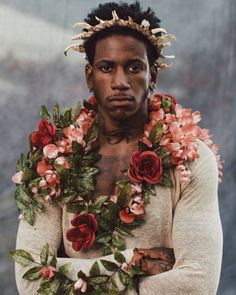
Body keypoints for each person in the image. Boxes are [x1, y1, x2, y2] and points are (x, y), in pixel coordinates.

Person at [12, 1, 223, 294]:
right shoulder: (53, 159)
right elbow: (31, 278)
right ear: (90, 76)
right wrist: (131, 262)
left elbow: (198, 284)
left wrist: (75, 275)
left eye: (134, 67)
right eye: (107, 67)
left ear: (153, 77)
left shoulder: (192, 159)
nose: (120, 82)